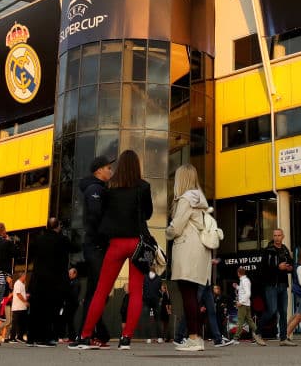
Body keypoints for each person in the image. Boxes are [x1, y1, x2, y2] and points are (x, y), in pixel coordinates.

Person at [70, 149, 152, 350]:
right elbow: (148, 213)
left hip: (115, 244)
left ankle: (85, 335)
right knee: (136, 291)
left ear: (120, 166)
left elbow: (103, 212)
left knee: (101, 290)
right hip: (137, 243)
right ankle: (126, 338)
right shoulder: (143, 186)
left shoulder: (110, 186)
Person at [164, 163, 214, 352]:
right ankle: (196, 337)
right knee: (192, 295)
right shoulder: (200, 198)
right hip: (199, 250)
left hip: (186, 250)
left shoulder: (185, 199)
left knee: (188, 295)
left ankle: (193, 338)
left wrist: (167, 232)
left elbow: (176, 227)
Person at [77, 154, 113, 347]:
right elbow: (95, 217)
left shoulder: (99, 188)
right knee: (98, 292)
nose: (110, 171)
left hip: (96, 246)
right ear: (99, 170)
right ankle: (90, 333)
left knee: (95, 291)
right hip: (96, 246)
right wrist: (104, 237)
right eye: (108, 168)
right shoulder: (95, 189)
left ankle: (92, 332)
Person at [28, 216, 70, 347]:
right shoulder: (62, 239)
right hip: (53, 280)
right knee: (50, 309)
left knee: (35, 309)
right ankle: (45, 337)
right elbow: (75, 248)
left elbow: (31, 254)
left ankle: (31, 338)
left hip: (37, 279)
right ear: (58, 226)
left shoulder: (38, 239)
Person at [260, 228, 296, 346]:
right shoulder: (268, 250)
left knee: (283, 312)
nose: (277, 237)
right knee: (272, 310)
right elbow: (263, 269)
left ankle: (283, 338)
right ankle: (257, 332)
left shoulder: (285, 250)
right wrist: (277, 267)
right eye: (275, 235)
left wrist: (290, 268)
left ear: (283, 236)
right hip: (271, 285)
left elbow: (291, 264)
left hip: (283, 285)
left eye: (279, 235)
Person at [232, 267, 266, 345]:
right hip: (246, 304)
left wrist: (241, 302)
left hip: (243, 304)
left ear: (238, 273)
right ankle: (258, 334)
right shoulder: (244, 280)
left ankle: (235, 338)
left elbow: (248, 293)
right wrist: (237, 287)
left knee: (240, 320)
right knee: (249, 321)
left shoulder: (244, 281)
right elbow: (243, 291)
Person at [60, 267, 81, 342]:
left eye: (70, 274)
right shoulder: (72, 281)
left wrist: (67, 296)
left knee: (69, 320)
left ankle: (71, 337)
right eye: (69, 274)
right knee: (69, 320)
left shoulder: (76, 282)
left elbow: (74, 294)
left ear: (75, 274)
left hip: (71, 304)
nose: (69, 275)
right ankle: (71, 337)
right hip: (70, 303)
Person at [8, 270, 29, 343]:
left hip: (22, 307)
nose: (26, 277)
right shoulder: (17, 283)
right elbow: (18, 294)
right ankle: (12, 337)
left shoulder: (22, 284)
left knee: (22, 323)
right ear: (22, 276)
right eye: (25, 276)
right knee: (15, 323)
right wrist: (25, 301)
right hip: (17, 307)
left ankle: (20, 336)